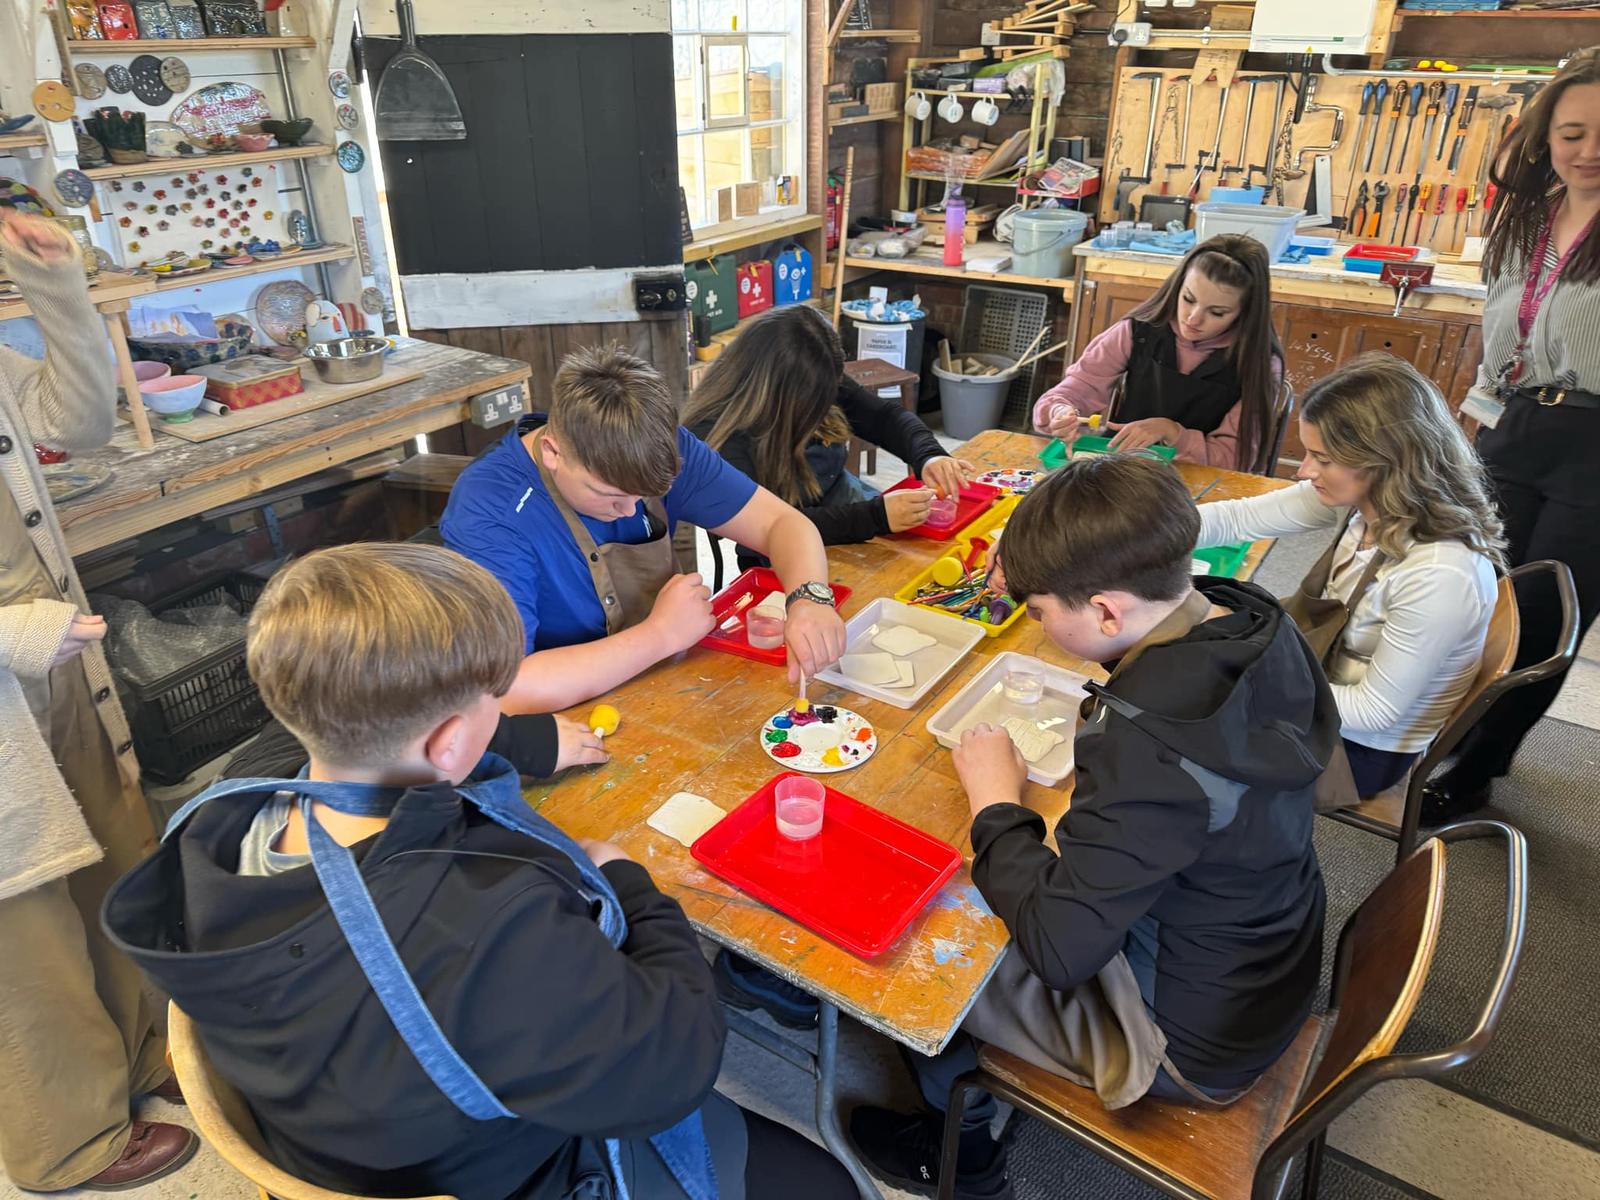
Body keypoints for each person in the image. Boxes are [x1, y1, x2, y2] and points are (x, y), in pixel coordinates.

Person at [102, 543, 857, 1200]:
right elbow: (675, 1066)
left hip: (342, 1126)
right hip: (497, 1177)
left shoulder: (223, 818)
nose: (504, 713)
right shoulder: (486, 929)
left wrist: (508, 743)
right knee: (826, 1182)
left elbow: (414, 757)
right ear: (449, 744)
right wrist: (635, 890)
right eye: (494, 704)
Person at [850, 456, 1335, 1200]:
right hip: (1266, 955)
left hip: (1187, 1042)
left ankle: (960, 1160)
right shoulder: (1250, 614)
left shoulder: (1154, 750)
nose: (1038, 628)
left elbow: (1059, 947)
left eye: (1041, 613)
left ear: (1108, 612)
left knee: (927, 945)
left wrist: (995, 806)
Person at [0, 211, 197, 1191]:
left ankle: (143, 1056)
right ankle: (67, 1142)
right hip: (16, 652)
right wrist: (16, 637)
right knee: (21, 931)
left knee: (117, 859)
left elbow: (73, 424)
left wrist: (57, 291)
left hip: (48, 657)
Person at [441, 343, 846, 712]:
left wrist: (809, 597)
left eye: (646, 496)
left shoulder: (656, 447)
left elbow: (783, 522)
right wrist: (661, 635)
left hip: (664, 688)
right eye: (609, 495)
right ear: (552, 452)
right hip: (563, 720)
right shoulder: (489, 510)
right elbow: (503, 691)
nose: (630, 510)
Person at [1195, 354, 1504, 798]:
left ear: (1386, 459)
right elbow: (1233, 519)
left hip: (1357, 752)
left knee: (1172, 728)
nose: (1304, 471)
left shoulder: (1440, 575)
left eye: (1321, 458)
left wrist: (1245, 674)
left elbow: (1375, 713)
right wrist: (1139, 531)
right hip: (1326, 687)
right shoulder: (1371, 501)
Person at [1424, 47, 1600, 822]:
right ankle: (1447, 732)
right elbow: (1506, 329)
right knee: (1481, 594)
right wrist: (1471, 423)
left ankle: (1480, 765)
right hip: (1515, 420)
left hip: (1595, 443)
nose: (1589, 151)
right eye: (1573, 133)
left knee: (1549, 614)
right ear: (1545, 137)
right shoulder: (1528, 218)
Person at [682, 305, 973, 570]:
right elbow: (773, 528)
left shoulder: (809, 372)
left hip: (841, 502)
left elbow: (883, 417)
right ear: (782, 395)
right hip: (778, 548)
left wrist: (928, 455)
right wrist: (877, 517)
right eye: (815, 405)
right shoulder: (715, 439)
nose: (825, 405)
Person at [1032, 233, 1283, 472]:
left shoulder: (1258, 364)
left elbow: (1234, 461)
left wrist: (1172, 432)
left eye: (1217, 312)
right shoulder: (1137, 331)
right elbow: (1074, 390)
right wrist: (1060, 412)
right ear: (1178, 286)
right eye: (1188, 298)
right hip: (1121, 470)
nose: (1193, 319)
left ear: (1245, 313)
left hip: (1198, 481)